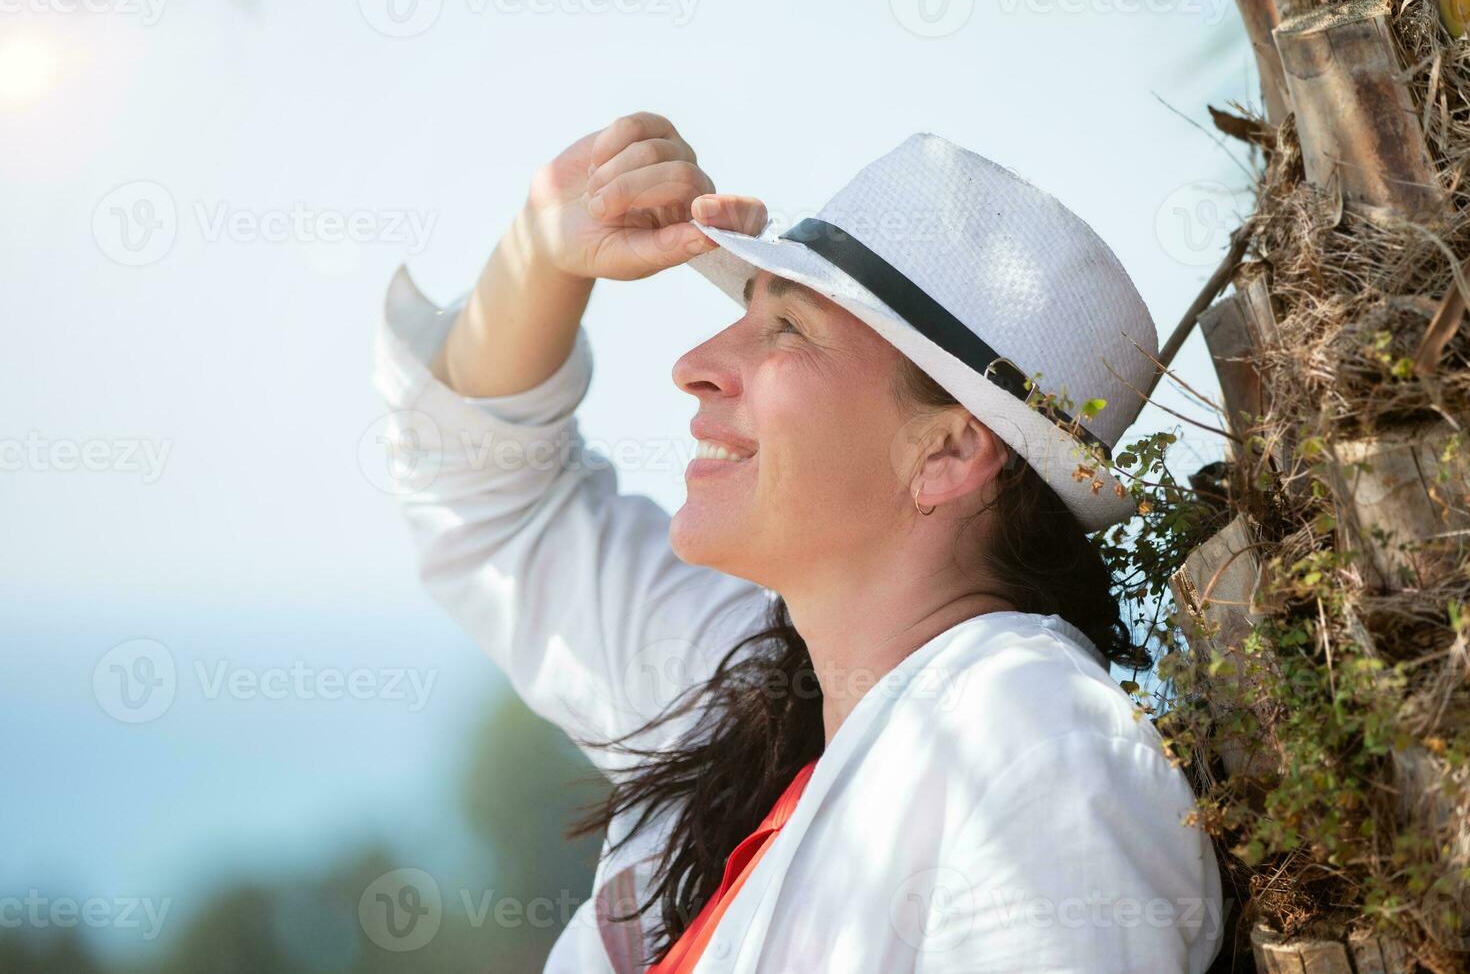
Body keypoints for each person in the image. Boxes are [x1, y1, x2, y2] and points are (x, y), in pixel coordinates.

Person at [371, 111, 1225, 973]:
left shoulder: (1036, 741)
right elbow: (486, 498)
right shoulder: (750, 692)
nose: (694, 362)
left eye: (787, 330)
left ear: (950, 450)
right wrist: (542, 250)